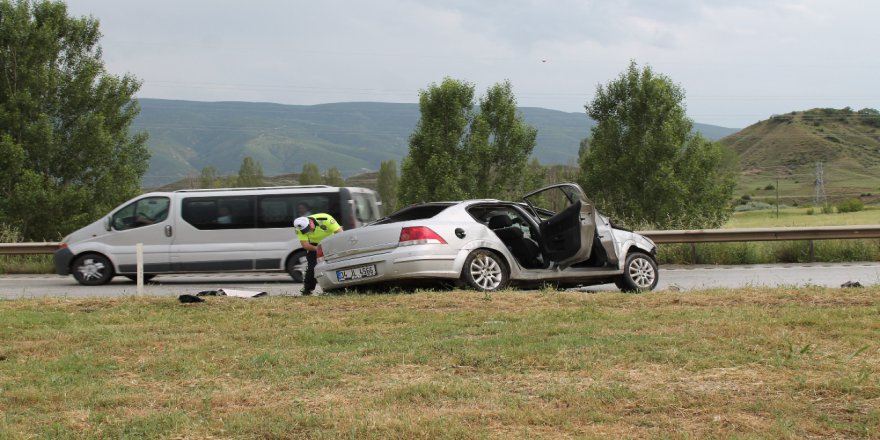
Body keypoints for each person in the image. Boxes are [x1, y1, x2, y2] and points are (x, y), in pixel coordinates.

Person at [293, 213, 343, 295]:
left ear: (310, 222)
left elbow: (340, 233)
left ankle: (337, 289)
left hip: (331, 242)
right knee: (312, 268)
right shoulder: (299, 228)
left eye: (308, 228)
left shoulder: (326, 219)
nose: (309, 231)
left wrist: (336, 247)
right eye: (305, 231)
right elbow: (305, 245)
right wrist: (319, 249)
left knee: (335, 265)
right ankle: (307, 290)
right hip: (314, 245)